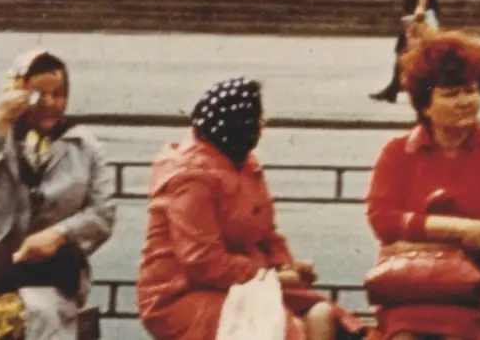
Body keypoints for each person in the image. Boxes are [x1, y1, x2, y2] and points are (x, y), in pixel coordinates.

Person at [138, 79, 358, 340]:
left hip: (242, 284)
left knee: (324, 315)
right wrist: (268, 276)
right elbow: (201, 260)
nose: (262, 127)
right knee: (284, 329)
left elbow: (267, 234)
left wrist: (286, 267)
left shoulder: (244, 165)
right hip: (181, 294)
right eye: (257, 120)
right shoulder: (190, 177)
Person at [365, 33, 480, 340]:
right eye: (451, 94)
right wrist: (458, 230)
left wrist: (414, 240)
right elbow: (382, 221)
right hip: (414, 289)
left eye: (471, 91)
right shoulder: (397, 152)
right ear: (425, 105)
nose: (465, 102)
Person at [0, 51, 116, 340]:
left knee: (44, 319)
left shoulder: (83, 146)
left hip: (43, 278)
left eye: (58, 94)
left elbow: (103, 213)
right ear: (17, 91)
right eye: (37, 94)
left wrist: (60, 234)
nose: (49, 103)